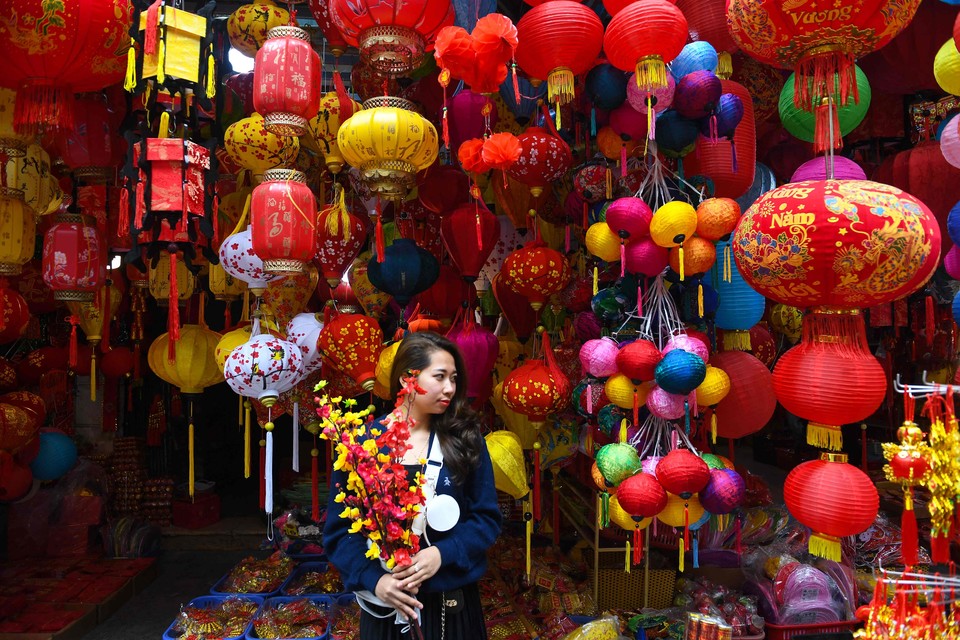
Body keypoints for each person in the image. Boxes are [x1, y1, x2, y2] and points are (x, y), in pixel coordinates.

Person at [324, 332, 502, 639]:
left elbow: (487, 519)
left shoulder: (465, 440)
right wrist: (375, 580)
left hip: (452, 607)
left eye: (454, 378)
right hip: (386, 607)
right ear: (408, 378)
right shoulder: (363, 444)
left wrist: (442, 554)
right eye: (440, 377)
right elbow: (339, 533)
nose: (450, 388)